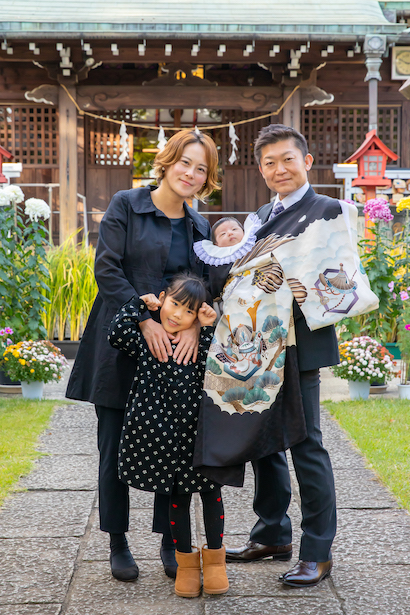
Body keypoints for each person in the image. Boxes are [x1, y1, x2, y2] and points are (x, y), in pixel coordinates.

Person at [65, 129, 219, 582]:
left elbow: (206, 286)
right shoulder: (126, 205)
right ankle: (118, 541)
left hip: (175, 357)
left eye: (201, 169)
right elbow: (106, 268)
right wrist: (143, 320)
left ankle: (171, 542)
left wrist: (191, 324)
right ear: (167, 161)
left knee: (173, 448)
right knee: (113, 447)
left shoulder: (200, 226)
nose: (190, 174)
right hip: (121, 346)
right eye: (185, 163)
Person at [223, 124, 339, 587]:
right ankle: (272, 534)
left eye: (287, 159)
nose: (279, 169)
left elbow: (340, 282)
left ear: (307, 161)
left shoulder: (329, 210)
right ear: (261, 169)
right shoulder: (259, 217)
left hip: (303, 343)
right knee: (263, 442)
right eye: (269, 162)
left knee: (306, 443)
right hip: (260, 344)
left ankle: (318, 550)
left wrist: (294, 288)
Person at [108, 273, 229, 598]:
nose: (176, 314)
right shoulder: (151, 340)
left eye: (186, 311)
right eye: (173, 303)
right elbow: (116, 334)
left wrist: (208, 325)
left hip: (199, 438)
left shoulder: (201, 341)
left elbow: (225, 357)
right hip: (161, 439)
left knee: (210, 494)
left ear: (195, 316)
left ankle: (216, 563)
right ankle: (186, 565)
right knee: (177, 499)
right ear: (163, 298)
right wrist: (140, 305)